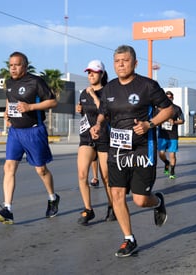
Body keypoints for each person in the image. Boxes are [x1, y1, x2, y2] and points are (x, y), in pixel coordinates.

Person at [90, 45, 173, 257]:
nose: (120, 64)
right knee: (116, 193)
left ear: (135, 63)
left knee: (140, 200)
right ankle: (129, 239)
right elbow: (103, 113)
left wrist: (149, 124)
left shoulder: (147, 86)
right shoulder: (109, 89)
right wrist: (98, 125)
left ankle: (158, 201)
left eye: (125, 61)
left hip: (143, 149)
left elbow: (168, 109)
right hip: (117, 149)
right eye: (117, 61)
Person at [0, 51, 60, 224]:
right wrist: (6, 112)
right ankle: (8, 209)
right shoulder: (8, 83)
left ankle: (52, 197)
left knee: (41, 170)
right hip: (15, 132)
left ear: (25, 66)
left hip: (33, 131)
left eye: (17, 65)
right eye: (11, 65)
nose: (13, 68)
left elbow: (52, 102)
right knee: (8, 167)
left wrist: (31, 107)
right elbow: (10, 99)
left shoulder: (35, 81)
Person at [75, 59, 115, 225]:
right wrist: (80, 110)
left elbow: (104, 112)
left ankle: (112, 206)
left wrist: (93, 95)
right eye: (88, 72)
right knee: (82, 174)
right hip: (86, 137)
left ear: (102, 74)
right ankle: (88, 209)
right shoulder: (83, 93)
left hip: (105, 137)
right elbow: (86, 113)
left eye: (94, 72)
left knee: (106, 176)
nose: (90, 75)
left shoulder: (108, 92)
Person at [158, 91, 184, 179]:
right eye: (167, 97)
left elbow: (182, 120)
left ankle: (172, 171)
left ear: (172, 98)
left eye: (170, 97)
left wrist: (174, 122)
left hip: (173, 135)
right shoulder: (159, 108)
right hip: (162, 135)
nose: (168, 99)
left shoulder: (177, 108)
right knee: (161, 154)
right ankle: (166, 163)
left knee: (172, 154)